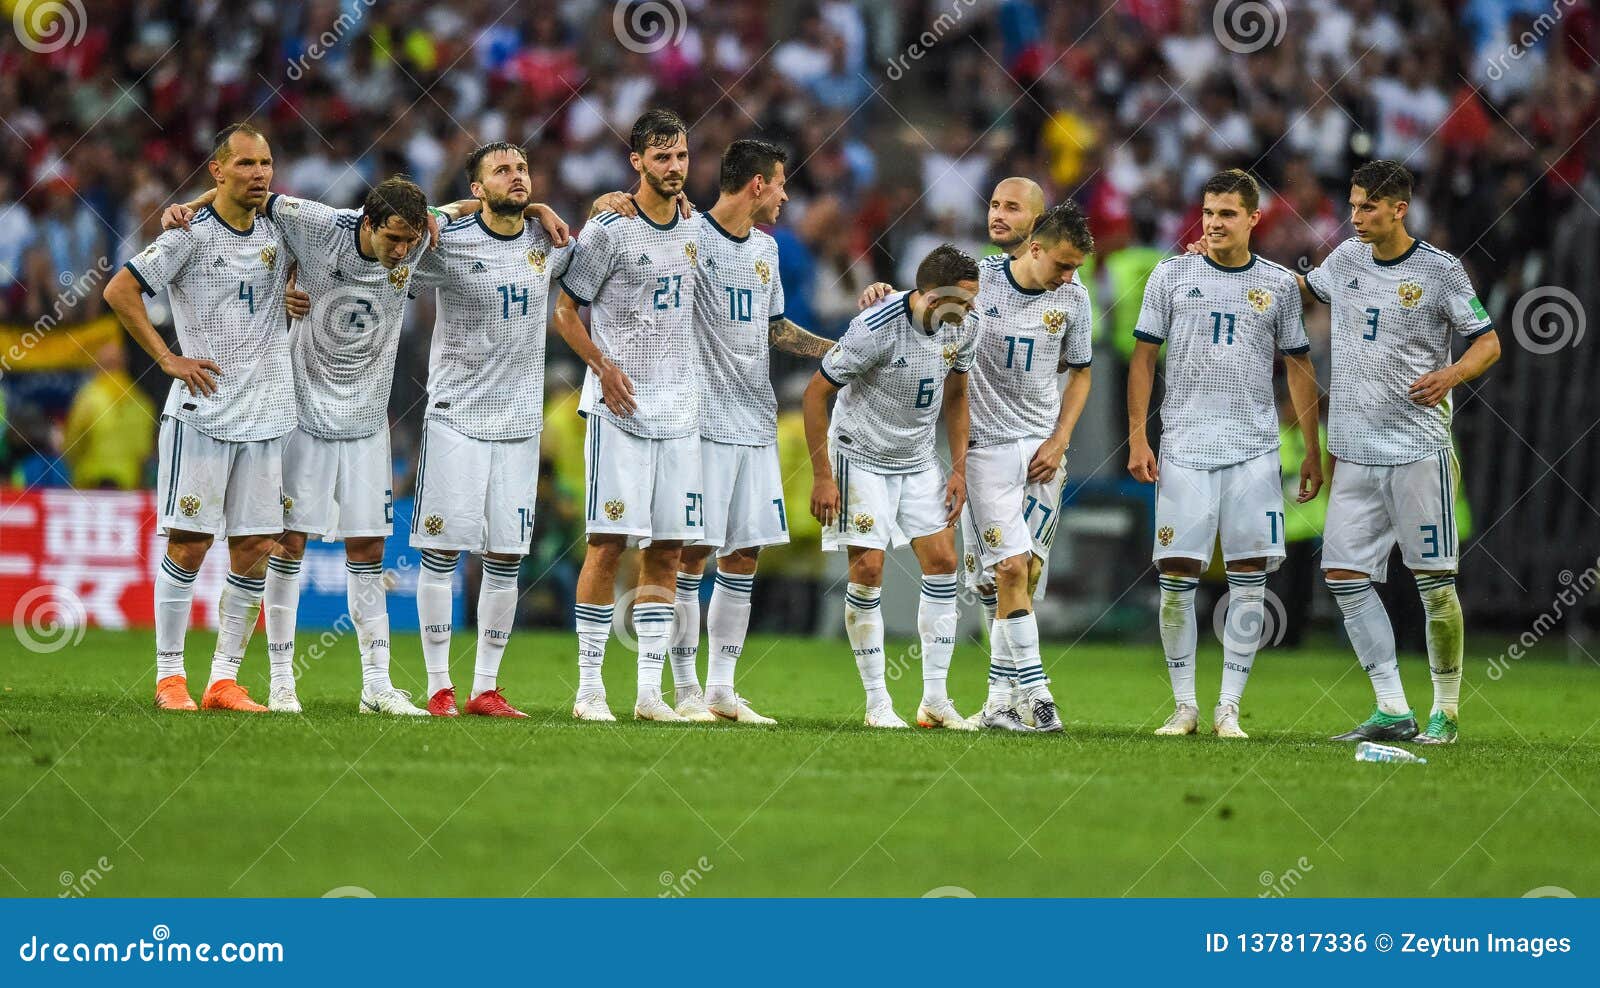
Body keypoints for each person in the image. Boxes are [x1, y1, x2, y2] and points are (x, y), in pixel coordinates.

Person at [1303, 160, 1500, 745]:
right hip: (1354, 450)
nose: (1355, 217)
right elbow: (1301, 290)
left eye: (1367, 207)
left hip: (1418, 447)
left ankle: (1446, 710)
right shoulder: (1344, 260)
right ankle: (1391, 706)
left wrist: (1451, 374)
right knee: (1341, 575)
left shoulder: (1439, 271)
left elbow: (1487, 341)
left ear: (1398, 208)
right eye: (1353, 205)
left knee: (1434, 584)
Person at [102, 122, 293, 714]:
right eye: (245, 164)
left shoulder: (281, 229)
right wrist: (166, 358)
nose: (259, 174)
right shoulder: (190, 233)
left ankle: (224, 680)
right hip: (203, 412)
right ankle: (169, 678)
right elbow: (119, 291)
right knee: (189, 543)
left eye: (265, 164)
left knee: (255, 545)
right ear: (217, 171)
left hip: (264, 413)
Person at [1128, 169, 1323, 739]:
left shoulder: (1281, 285)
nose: (1213, 223)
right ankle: (1184, 705)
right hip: (1184, 445)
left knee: (1248, 573)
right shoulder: (1170, 276)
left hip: (1255, 449)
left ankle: (1228, 708)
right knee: (1177, 573)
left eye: (1227, 214)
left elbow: (1298, 366)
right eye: (1208, 212)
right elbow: (1143, 359)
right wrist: (1139, 436)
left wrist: (1311, 448)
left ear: (1253, 220)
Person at [405, 142, 574, 718]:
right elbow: (397, 240)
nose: (518, 176)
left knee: (505, 557)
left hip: (520, 425)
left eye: (524, 168)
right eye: (502, 170)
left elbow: (601, 245)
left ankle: (485, 688)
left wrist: (541, 211)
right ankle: (436, 687)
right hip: (456, 419)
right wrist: (450, 212)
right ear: (477, 188)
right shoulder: (449, 243)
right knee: (442, 551)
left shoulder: (545, 245)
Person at [553, 109, 706, 722]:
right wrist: (600, 365)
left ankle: (648, 693)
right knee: (607, 543)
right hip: (620, 409)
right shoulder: (608, 229)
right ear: (636, 161)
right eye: (661, 157)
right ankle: (590, 687)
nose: (674, 168)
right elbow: (565, 310)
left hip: (679, 410)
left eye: (682, 156)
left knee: (668, 548)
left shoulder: (696, 228)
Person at [803, 244, 980, 730]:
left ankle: (936, 700)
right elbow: (814, 396)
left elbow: (958, 393)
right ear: (928, 294)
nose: (968, 311)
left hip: (918, 458)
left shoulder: (963, 328)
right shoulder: (874, 328)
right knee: (869, 569)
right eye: (961, 301)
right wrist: (822, 475)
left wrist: (959, 468)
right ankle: (878, 703)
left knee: (944, 564)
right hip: (859, 456)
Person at [62, 340, 156, 490]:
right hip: (127, 483)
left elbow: (72, 442)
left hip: (90, 482)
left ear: (97, 364)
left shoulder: (88, 397)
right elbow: (144, 450)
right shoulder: (141, 401)